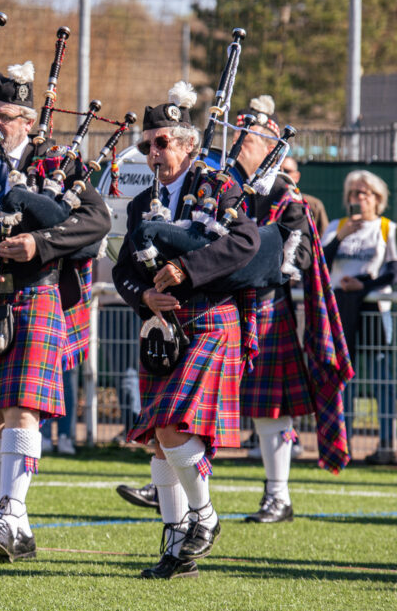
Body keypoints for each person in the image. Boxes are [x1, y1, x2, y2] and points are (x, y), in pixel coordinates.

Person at [0, 62, 110, 562]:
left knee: (21, 406)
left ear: (28, 121)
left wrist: (38, 243)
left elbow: (96, 223)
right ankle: (13, 522)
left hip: (35, 290)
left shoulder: (57, 164)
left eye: (5, 116)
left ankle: (11, 513)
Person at [112, 81, 258, 579]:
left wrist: (187, 271)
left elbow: (246, 243)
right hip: (163, 327)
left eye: (162, 142)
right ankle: (177, 551)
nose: (153, 152)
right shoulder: (139, 205)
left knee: (174, 426)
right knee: (158, 437)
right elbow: (122, 271)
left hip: (211, 318)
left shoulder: (218, 188)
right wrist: (143, 295)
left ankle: (205, 517)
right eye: (146, 144)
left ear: (189, 144)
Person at [228, 95, 352, 520]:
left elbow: (296, 259)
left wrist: (245, 259)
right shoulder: (219, 186)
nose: (242, 141)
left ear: (271, 145)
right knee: (201, 403)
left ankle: (278, 496)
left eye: (252, 135)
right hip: (219, 304)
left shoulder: (285, 194)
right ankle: (171, 488)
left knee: (269, 409)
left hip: (265, 306)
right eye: (240, 133)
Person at [321, 170, 397, 464]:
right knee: (343, 377)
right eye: (354, 193)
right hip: (340, 311)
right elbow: (318, 265)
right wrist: (338, 239)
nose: (358, 198)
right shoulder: (337, 228)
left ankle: (387, 444)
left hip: (373, 312)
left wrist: (362, 285)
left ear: (377, 198)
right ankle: (344, 442)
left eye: (364, 193)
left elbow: (392, 271)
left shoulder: (387, 228)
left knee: (380, 377)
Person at [280, 156, 328, 235]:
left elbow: (324, 239)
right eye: (278, 170)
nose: (282, 174)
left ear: (297, 176)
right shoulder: (264, 201)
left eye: (286, 171)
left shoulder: (313, 205)